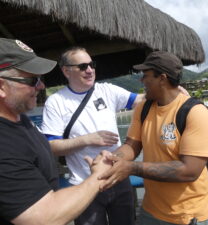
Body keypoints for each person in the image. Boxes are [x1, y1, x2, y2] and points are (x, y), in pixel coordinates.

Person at [0, 38, 112, 225]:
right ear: (2, 86)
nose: (41, 86)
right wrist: (98, 177)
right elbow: (43, 216)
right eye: (32, 80)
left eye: (41, 79)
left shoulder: (19, 117)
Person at [99, 51, 208, 225]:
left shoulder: (195, 112)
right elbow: (132, 145)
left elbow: (190, 171)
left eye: (146, 76)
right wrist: (112, 159)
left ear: (162, 78)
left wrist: (131, 168)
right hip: (151, 210)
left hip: (188, 215)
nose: (141, 81)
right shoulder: (143, 108)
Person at [41, 46, 145, 225]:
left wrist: (173, 91)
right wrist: (87, 139)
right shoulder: (56, 102)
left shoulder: (107, 90)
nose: (89, 70)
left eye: (91, 64)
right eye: (82, 67)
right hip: (84, 184)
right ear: (66, 71)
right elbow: (51, 146)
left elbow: (139, 100)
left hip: (118, 177)